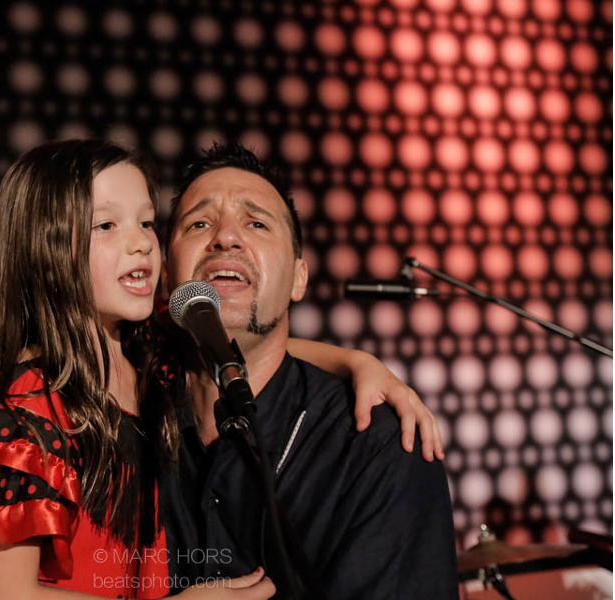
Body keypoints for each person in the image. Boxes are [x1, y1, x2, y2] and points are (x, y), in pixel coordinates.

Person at [0, 139, 440, 599]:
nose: (140, 242)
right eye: (107, 225)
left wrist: (356, 361)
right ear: (48, 254)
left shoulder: (150, 358)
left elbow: (242, 341)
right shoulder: (36, 412)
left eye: (145, 222)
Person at [161, 142, 458, 599]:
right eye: (199, 223)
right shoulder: (119, 424)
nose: (225, 237)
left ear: (299, 278)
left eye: (256, 223)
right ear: (166, 277)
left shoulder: (376, 447)